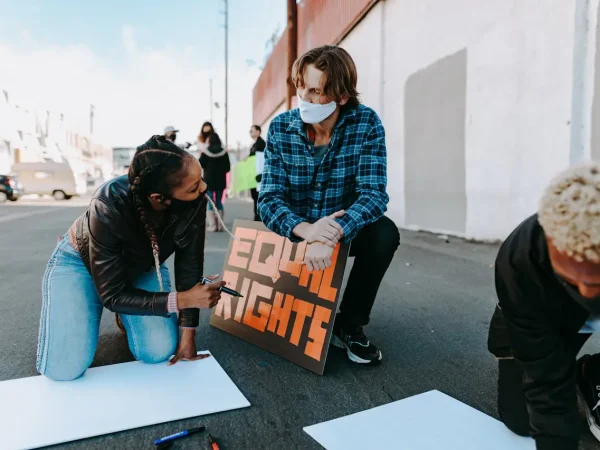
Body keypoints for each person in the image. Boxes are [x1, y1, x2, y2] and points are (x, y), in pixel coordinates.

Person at [36, 135, 227, 381]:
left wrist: (188, 337)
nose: (203, 188)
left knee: (158, 351)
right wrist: (182, 299)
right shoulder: (108, 203)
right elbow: (113, 295)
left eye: (200, 179)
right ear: (158, 197)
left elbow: (189, 266)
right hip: (79, 262)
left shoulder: (196, 198)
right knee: (63, 369)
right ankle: (83, 301)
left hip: (142, 266)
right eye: (193, 187)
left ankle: (128, 310)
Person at [258, 45, 400, 365]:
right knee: (284, 324)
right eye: (301, 87)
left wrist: (331, 233)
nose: (304, 98)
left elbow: (374, 194)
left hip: (341, 228)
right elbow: (268, 199)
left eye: (316, 91)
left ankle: (349, 324)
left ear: (342, 96)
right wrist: (308, 231)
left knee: (384, 233)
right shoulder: (280, 128)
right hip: (296, 229)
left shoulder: (366, 123)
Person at [487, 163, 600, 449]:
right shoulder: (520, 262)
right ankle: (582, 369)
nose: (587, 294)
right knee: (524, 421)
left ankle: (596, 370)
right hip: (544, 314)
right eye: (571, 279)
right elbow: (547, 385)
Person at [198, 122, 230, 232]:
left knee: (210, 203)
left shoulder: (205, 152)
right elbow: (227, 168)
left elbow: (200, 164)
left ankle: (213, 226)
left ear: (210, 141)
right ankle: (220, 225)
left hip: (209, 181)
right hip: (221, 180)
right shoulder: (224, 152)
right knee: (219, 202)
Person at [249, 124, 266, 221]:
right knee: (255, 199)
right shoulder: (254, 145)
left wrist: (262, 175)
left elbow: (263, 161)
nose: (250, 132)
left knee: (259, 199)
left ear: (258, 132)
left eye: (252, 131)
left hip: (259, 177)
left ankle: (258, 221)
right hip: (254, 176)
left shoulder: (261, 144)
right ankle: (256, 219)